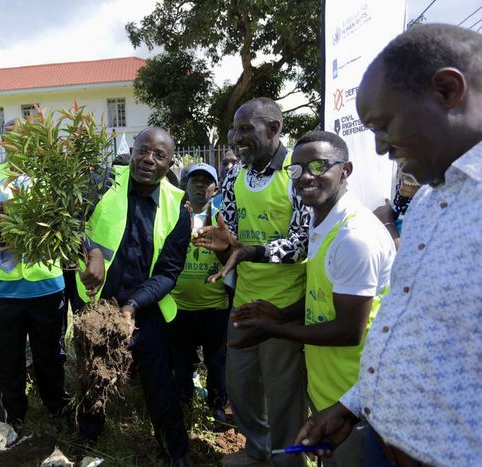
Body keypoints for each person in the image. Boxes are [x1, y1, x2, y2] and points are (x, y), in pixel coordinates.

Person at [296, 24, 482, 467]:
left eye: (384, 126)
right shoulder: (425, 205)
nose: (380, 148)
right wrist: (352, 405)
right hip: (383, 440)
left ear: (447, 90)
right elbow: (414, 329)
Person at [221, 131, 395, 466]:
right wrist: (280, 315)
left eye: (318, 166)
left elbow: (348, 331)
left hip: (359, 399)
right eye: (297, 170)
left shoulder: (354, 238)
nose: (306, 177)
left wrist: (275, 330)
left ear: (346, 170)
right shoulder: (323, 222)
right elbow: (324, 298)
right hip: (331, 389)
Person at [193, 97, 309, 467]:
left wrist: (250, 251)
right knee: (240, 386)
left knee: (283, 395)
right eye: (234, 129)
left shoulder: (298, 173)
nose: (235, 137)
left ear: (274, 129)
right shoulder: (236, 174)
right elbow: (228, 231)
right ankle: (258, 451)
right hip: (243, 299)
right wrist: (220, 243)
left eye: (246, 129)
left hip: (284, 306)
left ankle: (288, 461)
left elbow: (302, 242)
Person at [75, 127, 192, 466]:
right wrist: (91, 251)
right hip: (98, 301)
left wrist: (133, 306)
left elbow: (169, 271)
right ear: (133, 149)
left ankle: (176, 449)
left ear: (169, 162)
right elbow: (69, 223)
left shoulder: (176, 205)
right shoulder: (102, 182)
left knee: (158, 382)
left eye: (159, 156)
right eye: (144, 150)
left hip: (144, 306)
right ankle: (88, 437)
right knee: (92, 373)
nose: (148, 160)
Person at [0, 156, 68, 429]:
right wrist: (1, 222)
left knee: (51, 353)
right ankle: (14, 415)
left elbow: (65, 225)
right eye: (10, 137)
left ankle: (56, 408)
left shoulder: (53, 177)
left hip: (45, 285)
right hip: (3, 289)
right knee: (8, 357)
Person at [168, 162, 230, 426]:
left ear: (215, 188)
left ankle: (217, 407)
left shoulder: (223, 218)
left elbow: (231, 256)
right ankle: (183, 403)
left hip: (215, 306)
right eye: (195, 181)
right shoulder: (174, 216)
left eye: (207, 181)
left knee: (217, 364)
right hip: (179, 306)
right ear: (186, 185)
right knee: (181, 363)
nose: (201, 186)